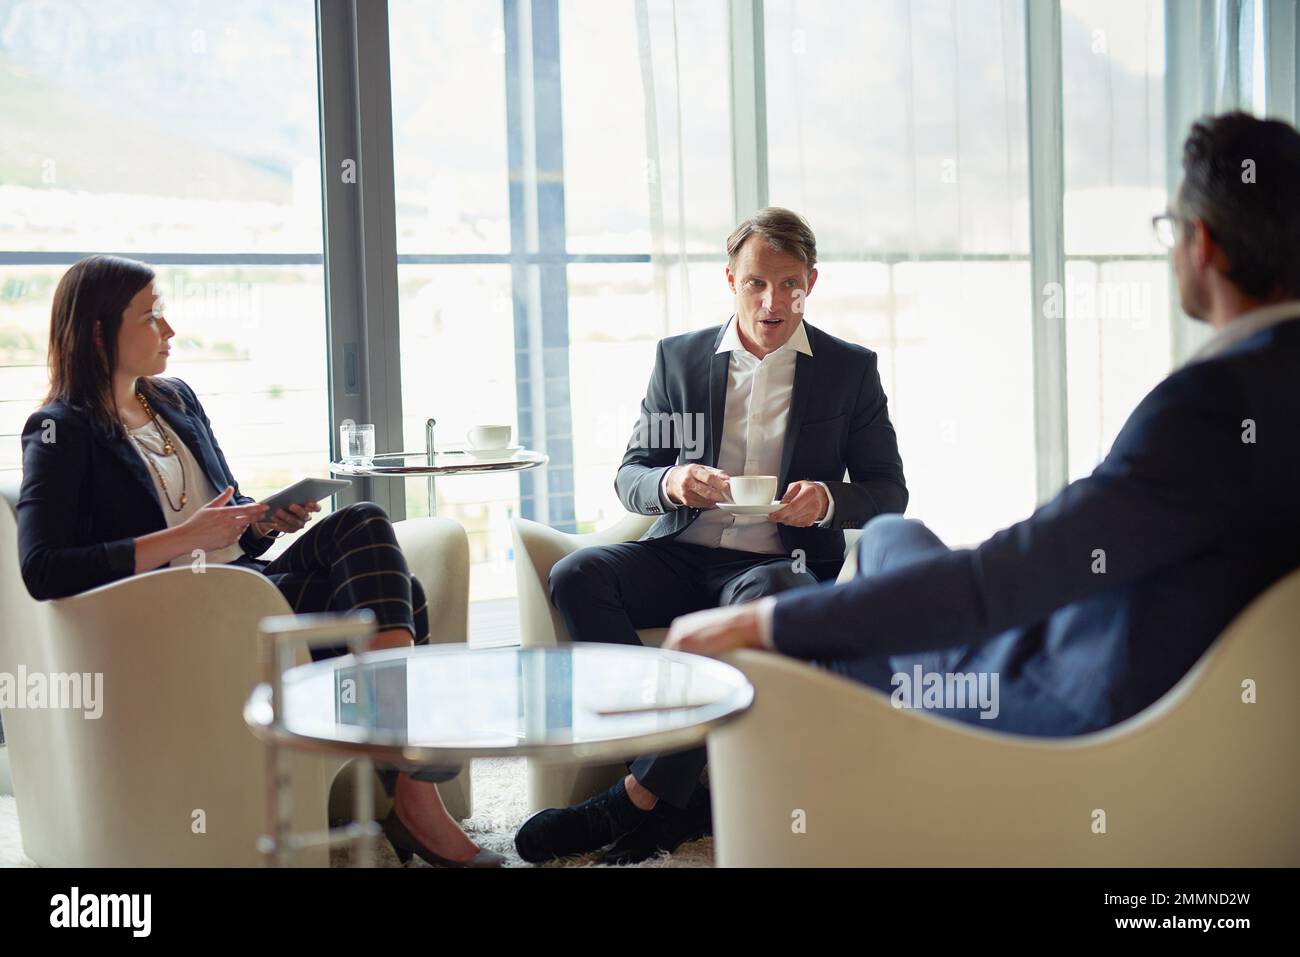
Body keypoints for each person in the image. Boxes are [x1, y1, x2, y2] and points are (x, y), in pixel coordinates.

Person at [665, 113, 1300, 743]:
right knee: (889, 536)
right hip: (1145, 670)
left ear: (1205, 244)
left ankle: (680, 807)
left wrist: (767, 622)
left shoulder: (1205, 407)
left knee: (820, 647)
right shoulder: (1267, 385)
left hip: (1062, 697)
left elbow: (1007, 581)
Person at [15, 254, 502, 867]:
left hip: (247, 587)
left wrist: (262, 521)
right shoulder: (60, 431)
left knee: (365, 523)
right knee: (403, 591)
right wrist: (184, 536)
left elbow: (229, 519)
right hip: (180, 612)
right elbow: (44, 567)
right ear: (95, 331)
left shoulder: (174, 400)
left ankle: (404, 779)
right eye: (153, 318)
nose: (170, 332)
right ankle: (413, 793)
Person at [515, 207, 909, 864]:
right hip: (681, 551)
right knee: (577, 575)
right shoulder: (680, 359)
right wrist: (673, 482)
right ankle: (680, 791)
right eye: (757, 282)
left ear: (813, 282)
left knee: (769, 597)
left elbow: (888, 490)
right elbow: (631, 475)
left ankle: (635, 798)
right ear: (731, 279)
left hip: (776, 563)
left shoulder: (849, 370)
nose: (773, 300)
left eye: (790, 284)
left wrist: (826, 500)